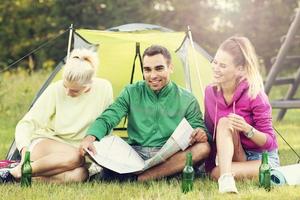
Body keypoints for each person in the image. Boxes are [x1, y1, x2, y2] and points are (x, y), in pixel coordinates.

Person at [80, 45, 211, 181]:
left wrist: (200, 133)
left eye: (159, 68)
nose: (153, 75)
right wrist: (89, 137)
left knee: (203, 148)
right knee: (98, 145)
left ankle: (144, 177)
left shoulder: (187, 98)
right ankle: (163, 176)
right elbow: (109, 117)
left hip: (170, 157)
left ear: (170, 67)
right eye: (147, 70)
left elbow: (200, 129)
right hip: (135, 155)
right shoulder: (131, 92)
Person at [0, 48, 113, 184]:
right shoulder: (55, 89)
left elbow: (106, 123)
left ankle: (19, 178)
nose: (66, 92)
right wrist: (24, 152)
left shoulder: (104, 88)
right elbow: (27, 123)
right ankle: (19, 171)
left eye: (74, 91)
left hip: (78, 156)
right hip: (46, 145)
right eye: (65, 86)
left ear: (88, 85)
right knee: (76, 157)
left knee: (80, 175)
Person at [204, 36, 280, 193]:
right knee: (224, 123)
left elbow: (269, 142)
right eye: (215, 62)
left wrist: (247, 129)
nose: (216, 68)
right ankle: (226, 179)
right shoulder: (210, 92)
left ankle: (225, 173)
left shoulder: (255, 94)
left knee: (217, 172)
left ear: (240, 69)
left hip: (262, 158)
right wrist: (208, 165)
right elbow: (210, 132)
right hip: (237, 155)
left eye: (223, 65)